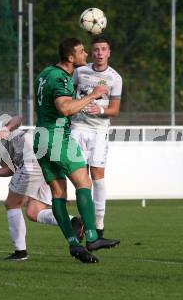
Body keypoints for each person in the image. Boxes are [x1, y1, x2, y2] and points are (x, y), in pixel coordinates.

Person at [33, 38, 120, 264]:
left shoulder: (44, 73)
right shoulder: (61, 77)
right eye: (82, 52)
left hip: (41, 137)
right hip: (57, 137)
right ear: (71, 58)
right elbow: (64, 108)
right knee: (84, 183)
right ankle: (92, 237)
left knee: (58, 193)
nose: (86, 55)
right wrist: (92, 95)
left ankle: (74, 244)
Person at [0, 115, 84, 261]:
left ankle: (20, 252)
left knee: (11, 203)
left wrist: (7, 128)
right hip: (43, 161)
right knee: (33, 212)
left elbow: (17, 118)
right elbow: (11, 169)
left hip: (32, 160)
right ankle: (73, 222)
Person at [71, 36, 122, 239]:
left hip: (100, 132)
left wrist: (99, 108)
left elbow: (115, 110)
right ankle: (84, 219)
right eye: (96, 50)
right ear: (92, 53)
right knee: (78, 177)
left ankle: (99, 226)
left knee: (98, 177)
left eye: (104, 49)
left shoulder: (115, 78)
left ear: (109, 53)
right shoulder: (80, 71)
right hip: (77, 127)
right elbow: (70, 95)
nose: (100, 53)